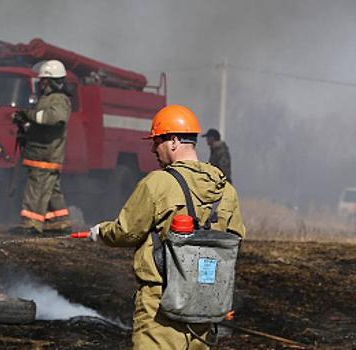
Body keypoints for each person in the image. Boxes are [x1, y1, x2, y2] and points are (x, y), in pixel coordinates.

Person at [86, 105, 246, 349]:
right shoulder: (226, 190)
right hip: (207, 306)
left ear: (173, 141)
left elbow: (126, 231)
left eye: (156, 141)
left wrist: (100, 233)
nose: (152, 148)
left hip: (161, 305)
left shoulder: (158, 183)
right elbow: (234, 240)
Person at [14, 60, 73, 234]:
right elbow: (41, 123)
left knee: (37, 187)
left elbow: (55, 118)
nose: (41, 84)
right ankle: (58, 221)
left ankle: (31, 223)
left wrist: (29, 115)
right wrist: (24, 124)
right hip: (42, 152)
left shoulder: (59, 99)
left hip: (45, 155)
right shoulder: (48, 98)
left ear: (49, 81)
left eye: (43, 80)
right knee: (52, 189)